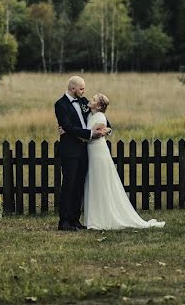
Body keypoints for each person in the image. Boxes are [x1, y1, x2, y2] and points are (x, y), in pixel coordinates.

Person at [82, 93, 165, 230]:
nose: (91, 99)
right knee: (94, 181)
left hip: (98, 152)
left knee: (101, 182)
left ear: (99, 105)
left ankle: (101, 219)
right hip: (91, 152)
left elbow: (92, 135)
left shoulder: (100, 117)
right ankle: (95, 217)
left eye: (94, 99)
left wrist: (71, 134)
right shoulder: (90, 114)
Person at [54, 76, 110, 231]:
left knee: (79, 185)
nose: (84, 91)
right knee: (69, 185)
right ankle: (64, 221)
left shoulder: (84, 101)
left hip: (85, 151)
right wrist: (90, 133)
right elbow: (68, 126)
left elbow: (103, 118)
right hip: (70, 151)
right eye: (81, 88)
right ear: (73, 89)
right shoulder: (61, 105)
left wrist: (107, 129)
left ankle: (75, 219)